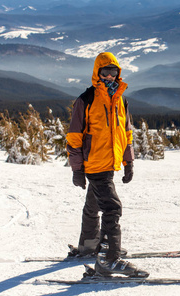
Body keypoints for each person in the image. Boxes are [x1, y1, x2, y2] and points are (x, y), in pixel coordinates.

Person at [66, 52, 148, 277]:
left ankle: (90, 245)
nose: (110, 76)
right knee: (112, 208)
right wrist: (77, 169)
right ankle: (108, 259)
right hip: (94, 164)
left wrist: (128, 161)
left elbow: (126, 133)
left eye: (114, 72)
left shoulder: (120, 99)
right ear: (97, 73)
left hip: (109, 163)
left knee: (94, 204)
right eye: (105, 72)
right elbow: (74, 137)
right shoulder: (87, 100)